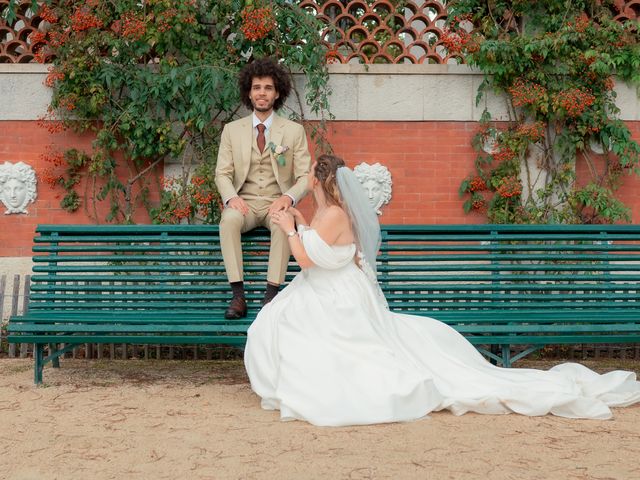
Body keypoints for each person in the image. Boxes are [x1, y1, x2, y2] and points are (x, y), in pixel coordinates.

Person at [244, 154, 640, 427]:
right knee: (283, 322)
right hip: (331, 288)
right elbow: (322, 245)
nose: (308, 179)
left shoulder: (332, 213)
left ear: (319, 179)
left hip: (333, 294)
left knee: (295, 330)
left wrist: (288, 228)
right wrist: (298, 220)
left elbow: (309, 259)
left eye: (312, 174)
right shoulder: (329, 212)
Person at [215, 58, 312, 319]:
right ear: (249, 91)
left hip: (275, 202)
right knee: (228, 221)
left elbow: (305, 176)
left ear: (277, 92)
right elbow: (222, 173)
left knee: (284, 223)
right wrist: (231, 197)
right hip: (243, 203)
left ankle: (271, 297)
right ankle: (238, 296)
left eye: (268, 88)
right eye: (256, 87)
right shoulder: (231, 130)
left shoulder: (293, 131)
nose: (262, 92)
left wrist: (288, 198)